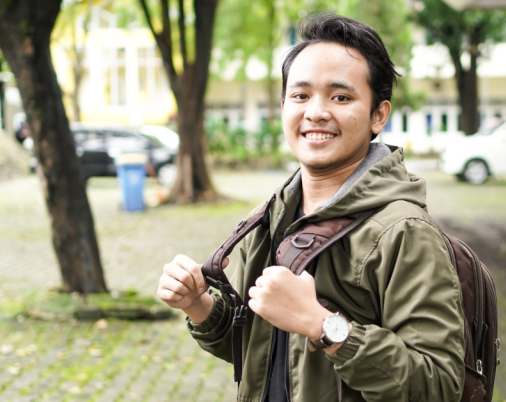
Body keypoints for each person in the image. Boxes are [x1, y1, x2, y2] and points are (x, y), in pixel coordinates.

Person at [157, 14, 465, 402]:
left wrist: (322, 325)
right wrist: (199, 305)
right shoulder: (270, 218)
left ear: (378, 115)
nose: (316, 112)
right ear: (284, 106)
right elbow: (262, 351)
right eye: (301, 96)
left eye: (340, 97)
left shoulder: (403, 231)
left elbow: (437, 386)